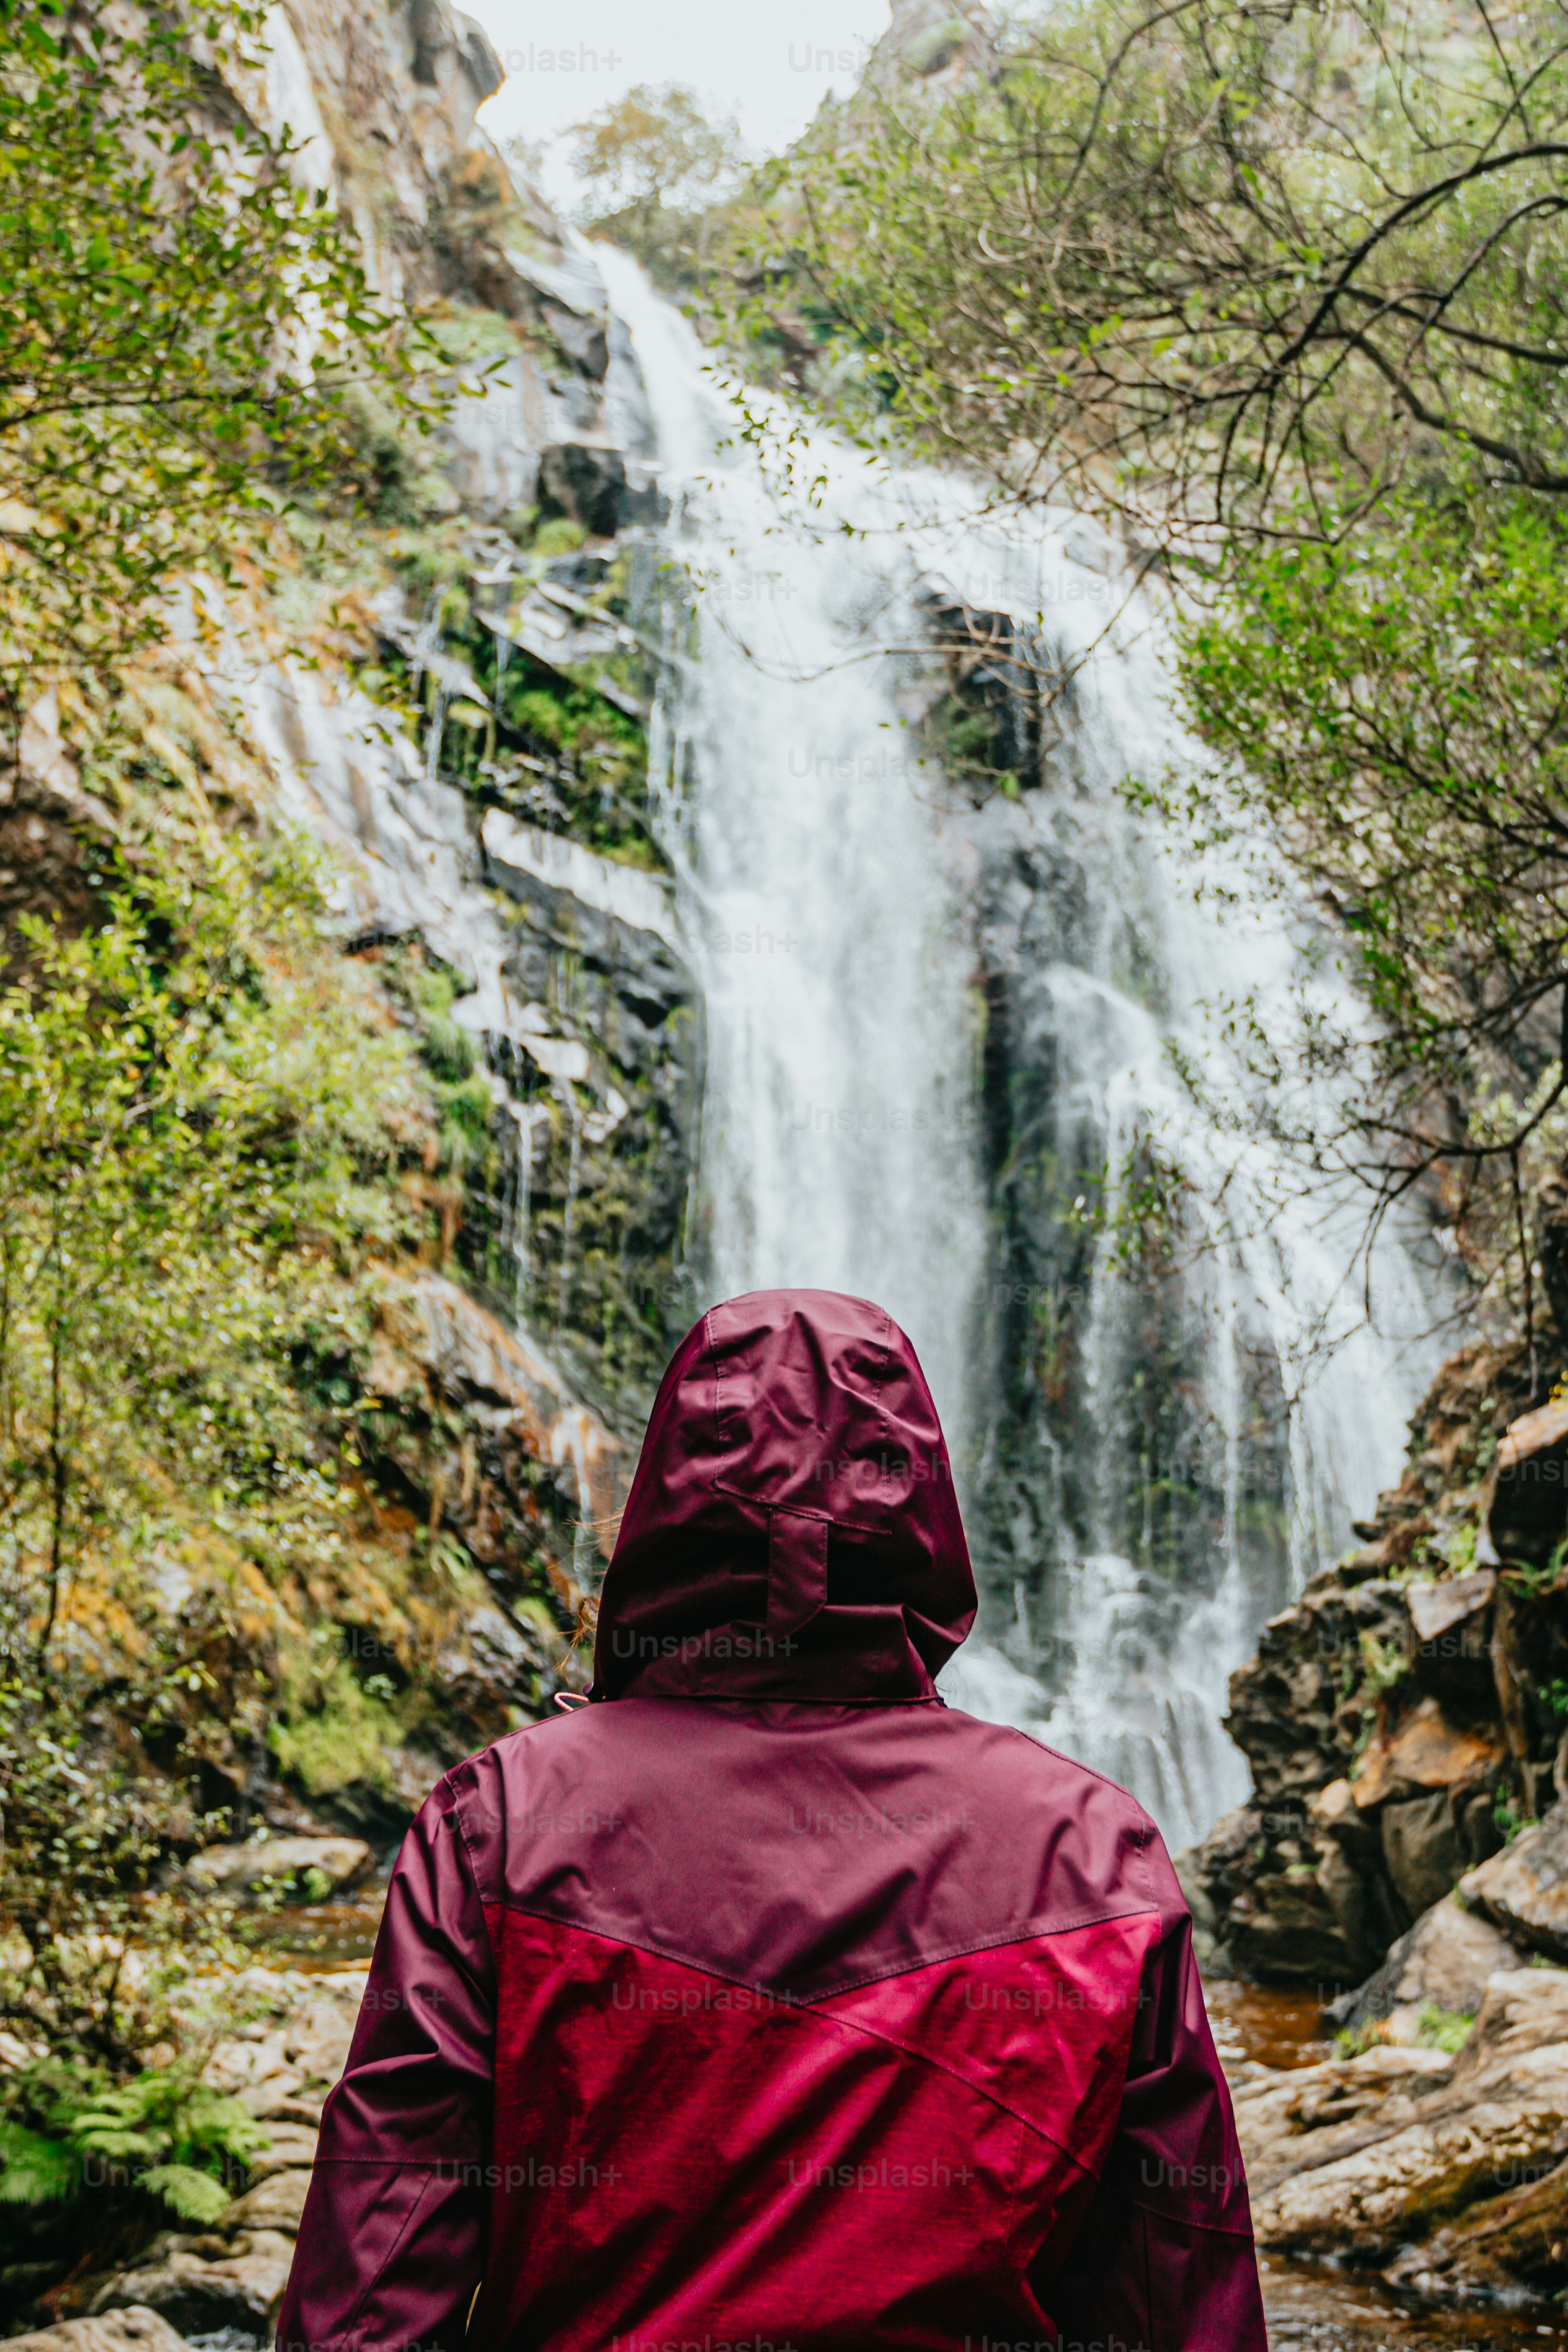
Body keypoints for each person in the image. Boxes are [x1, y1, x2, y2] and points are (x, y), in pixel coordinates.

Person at [277, 1288, 1265, 2352]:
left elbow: (370, 2297)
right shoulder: (1094, 1852)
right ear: (923, 1514)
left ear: (661, 1502)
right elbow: (1181, 2296)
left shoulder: (500, 1823)